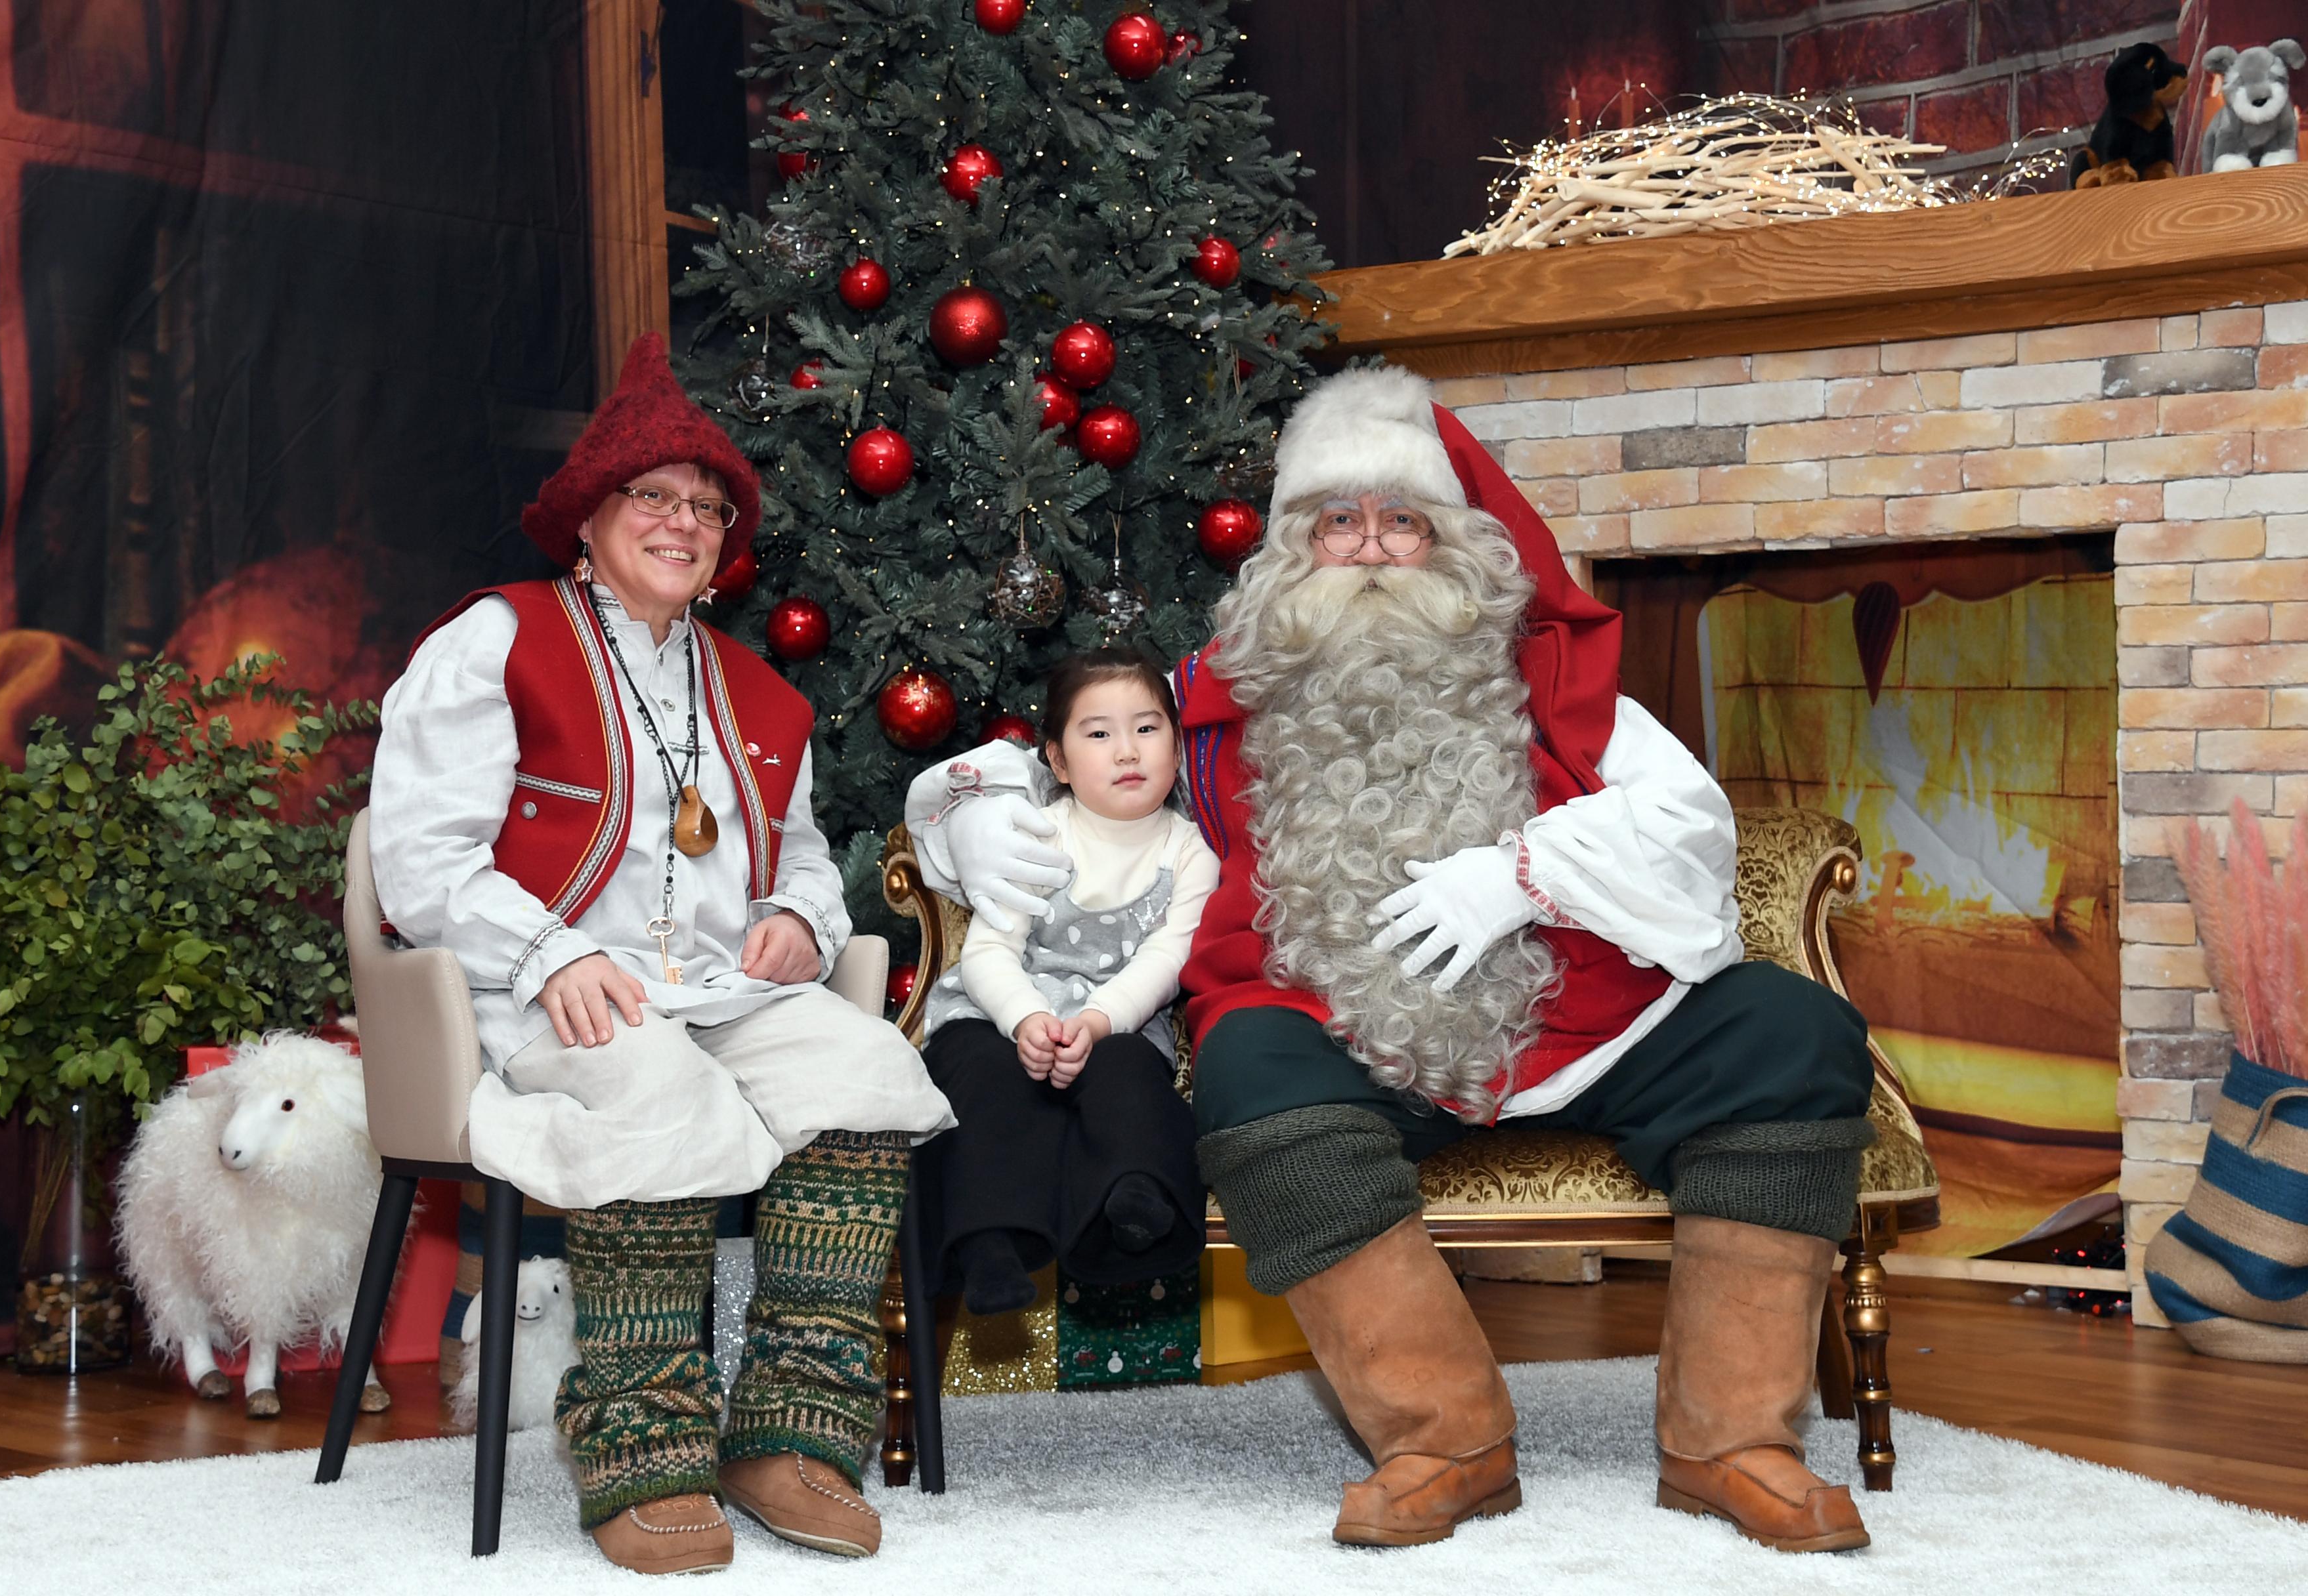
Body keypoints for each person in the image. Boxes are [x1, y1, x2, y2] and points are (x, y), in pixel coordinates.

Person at [907, 366, 1876, 1555]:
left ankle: (1731, 1443)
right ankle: (1443, 1437)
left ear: (1454, 543)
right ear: (1292, 549)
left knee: (1791, 1032)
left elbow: (1689, 825)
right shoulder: (1209, 699)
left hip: (1579, 1021)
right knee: (1250, 1062)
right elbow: (1020, 754)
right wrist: (976, 809)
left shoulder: (1559, 683)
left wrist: (1522, 875)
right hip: (1343, 1031)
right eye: (1337, 521)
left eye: (1400, 520)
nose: (1367, 549)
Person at [370, 334, 952, 1576]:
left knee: (861, 1072)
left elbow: (798, 859)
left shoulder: (756, 691)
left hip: (714, 990)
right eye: (655, 498)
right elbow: (419, 861)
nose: (684, 522)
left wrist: (799, 919)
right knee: (648, 1081)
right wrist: (545, 951)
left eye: (708, 506)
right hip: (531, 995)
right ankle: (639, 1442)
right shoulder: (494, 641)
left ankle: (791, 1435)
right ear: (589, 515)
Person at [918, 649, 1217, 1315]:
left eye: (1147, 728)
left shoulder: (1189, 850)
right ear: (1057, 761)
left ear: (1177, 742)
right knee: (981, 1073)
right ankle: (988, 1238)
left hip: (1117, 1017)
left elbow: (1169, 957)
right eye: (1099, 733)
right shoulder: (1037, 832)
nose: (1127, 751)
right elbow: (991, 949)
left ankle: (1136, 1194)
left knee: (1130, 1077)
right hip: (1004, 1007)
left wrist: (1099, 1019)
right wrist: (1025, 1017)